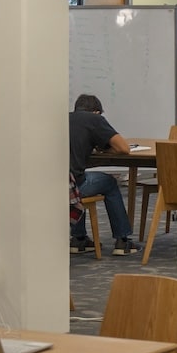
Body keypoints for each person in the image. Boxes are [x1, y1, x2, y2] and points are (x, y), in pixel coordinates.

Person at [69, 93, 137, 255]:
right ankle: (122, 240)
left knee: (77, 177)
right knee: (109, 182)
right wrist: (105, 147)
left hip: (55, 183)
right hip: (73, 187)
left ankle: (78, 240)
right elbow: (123, 149)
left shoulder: (65, 118)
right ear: (97, 112)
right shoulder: (95, 120)